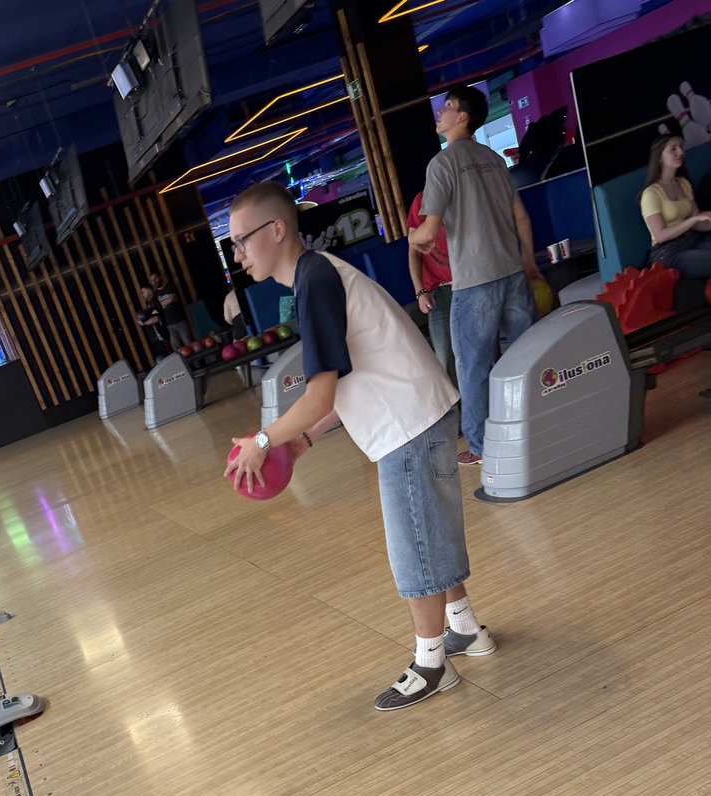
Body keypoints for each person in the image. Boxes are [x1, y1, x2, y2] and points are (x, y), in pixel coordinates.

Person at [223, 181, 496, 714]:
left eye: (241, 240)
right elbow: (344, 379)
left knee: (415, 546)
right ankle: (465, 629)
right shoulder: (316, 274)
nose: (237, 255)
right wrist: (302, 438)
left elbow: (319, 392)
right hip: (418, 413)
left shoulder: (315, 280)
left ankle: (432, 664)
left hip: (409, 423)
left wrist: (263, 439)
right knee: (430, 531)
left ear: (276, 230)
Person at [410, 84, 542, 466]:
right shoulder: (494, 159)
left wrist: (413, 237)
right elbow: (521, 216)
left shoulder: (441, 164)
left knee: (473, 367)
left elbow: (429, 231)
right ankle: (537, 423)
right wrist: (529, 262)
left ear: (462, 116)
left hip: (474, 281)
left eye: (447, 106)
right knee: (527, 354)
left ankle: (483, 447)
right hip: (513, 272)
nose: (440, 113)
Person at [639, 134, 711, 278]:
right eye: (673, 149)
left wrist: (705, 220)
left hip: (692, 240)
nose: (680, 152)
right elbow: (660, 236)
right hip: (667, 252)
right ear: (660, 157)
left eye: (681, 147)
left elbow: (698, 222)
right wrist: (692, 220)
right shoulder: (651, 193)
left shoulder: (683, 183)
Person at [406, 190, 457, 388]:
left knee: (479, 352)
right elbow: (413, 250)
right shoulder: (422, 200)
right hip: (440, 291)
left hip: (471, 285)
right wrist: (420, 292)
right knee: (444, 358)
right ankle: (459, 406)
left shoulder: (464, 192)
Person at [149, 271, 192, 350]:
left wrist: (161, 305)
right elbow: (156, 308)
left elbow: (173, 298)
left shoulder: (169, 286)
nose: (154, 281)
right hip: (168, 324)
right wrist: (165, 303)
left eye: (155, 278)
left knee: (188, 343)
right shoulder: (155, 295)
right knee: (177, 348)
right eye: (152, 280)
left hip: (180, 320)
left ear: (160, 277)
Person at [135, 286, 169, 359]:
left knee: (168, 353)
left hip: (163, 332)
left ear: (149, 292)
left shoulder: (154, 302)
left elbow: (156, 318)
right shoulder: (149, 303)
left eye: (143, 292)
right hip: (158, 333)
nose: (142, 295)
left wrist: (143, 323)